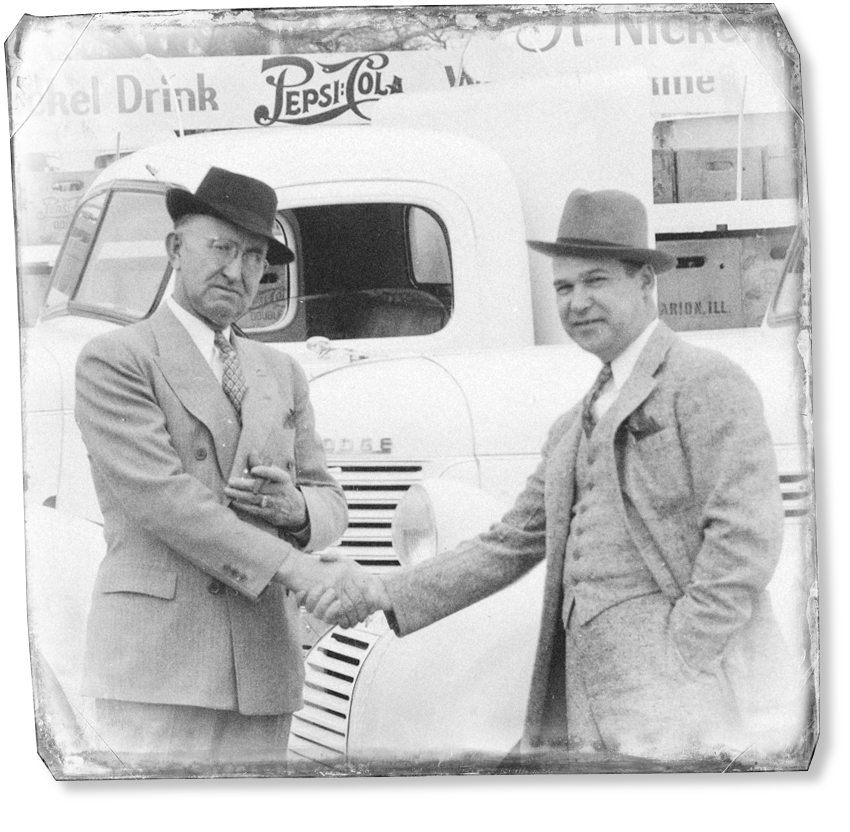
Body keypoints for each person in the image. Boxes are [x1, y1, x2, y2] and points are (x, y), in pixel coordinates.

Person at [307, 189, 795, 759]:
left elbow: (746, 537)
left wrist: (683, 653)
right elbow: (508, 542)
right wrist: (382, 589)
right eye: (563, 288)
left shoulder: (705, 382)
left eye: (595, 281)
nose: (577, 302)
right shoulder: (571, 426)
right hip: (585, 706)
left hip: (689, 701)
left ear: (645, 283)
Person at [75, 166, 372, 770]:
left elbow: (330, 498)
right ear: (175, 248)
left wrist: (300, 512)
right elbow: (166, 501)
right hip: (159, 668)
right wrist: (298, 567)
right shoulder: (116, 359)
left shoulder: (281, 372)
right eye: (222, 247)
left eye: (256, 257)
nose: (237, 271)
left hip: (262, 667)